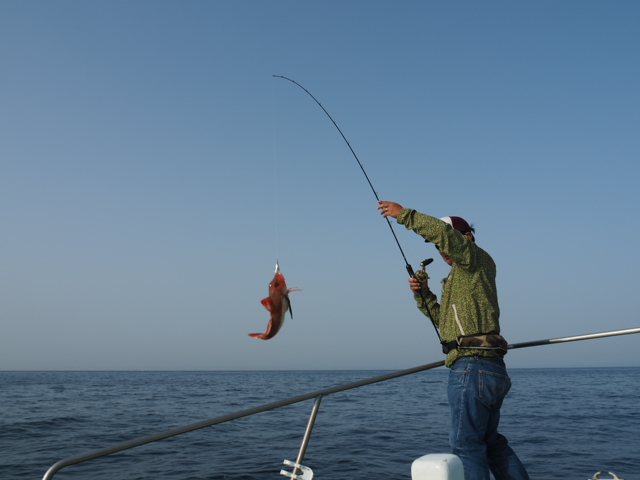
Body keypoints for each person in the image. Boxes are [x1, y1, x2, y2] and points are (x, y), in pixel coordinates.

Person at [377, 200, 530, 480]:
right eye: (437, 246)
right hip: (488, 367)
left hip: (472, 367)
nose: (442, 248)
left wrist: (404, 215)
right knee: (491, 443)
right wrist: (423, 293)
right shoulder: (459, 280)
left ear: (467, 238)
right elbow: (443, 323)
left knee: (466, 445)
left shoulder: (475, 259)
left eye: (444, 241)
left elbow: (444, 234)